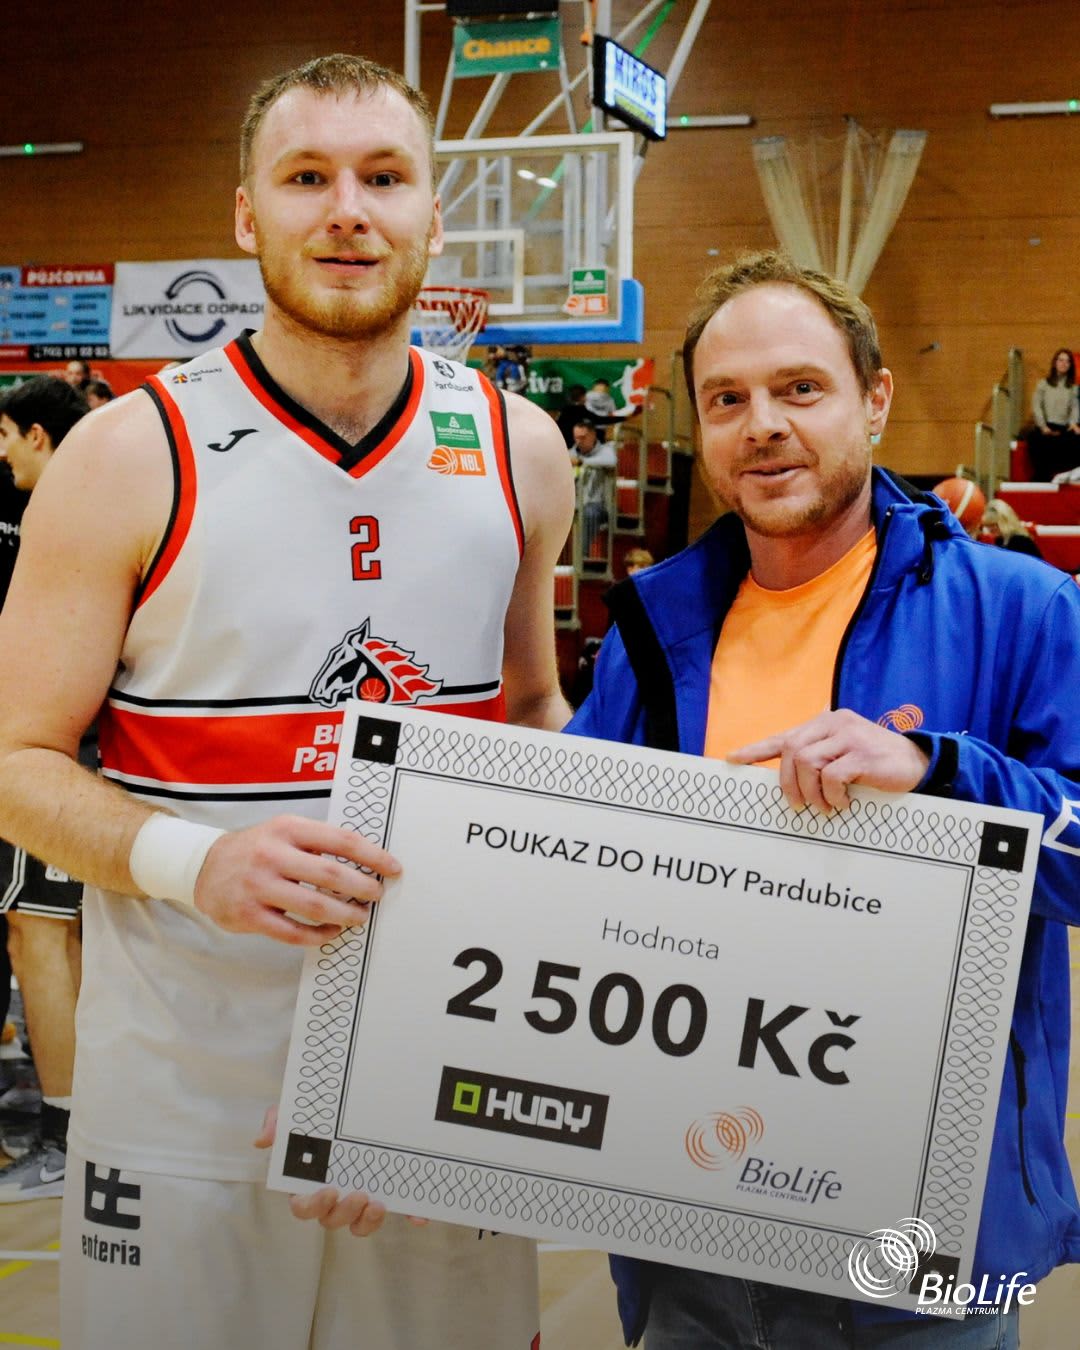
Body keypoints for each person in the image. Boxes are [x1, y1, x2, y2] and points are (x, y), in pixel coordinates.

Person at [0, 53, 572, 1350]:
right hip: (182, 1101)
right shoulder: (126, 452)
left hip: (433, 1080)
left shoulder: (520, 448)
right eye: (307, 177)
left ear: (435, 215)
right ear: (247, 214)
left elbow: (536, 719)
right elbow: (17, 757)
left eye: (384, 177)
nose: (348, 211)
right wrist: (197, 862)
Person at [569, 249, 1080, 1349]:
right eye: (727, 400)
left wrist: (943, 775)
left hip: (920, 1251)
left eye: (800, 388)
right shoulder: (652, 633)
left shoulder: (1025, 610)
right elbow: (553, 866)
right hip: (690, 1225)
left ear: (875, 399)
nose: (763, 425)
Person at [0, 376, 90, 1199]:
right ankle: (79, 1121)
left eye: (5, 435)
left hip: (62, 756)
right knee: (51, 939)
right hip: (71, 754)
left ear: (37, 435)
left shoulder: (72, 513)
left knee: (43, 937)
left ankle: (67, 1138)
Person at [1027, 347, 1080, 480]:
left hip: (1064, 427)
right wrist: (1043, 427)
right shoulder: (1043, 384)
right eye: (1061, 360)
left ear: (1070, 366)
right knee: (1034, 438)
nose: (1063, 364)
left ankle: (1068, 474)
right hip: (1046, 426)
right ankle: (1043, 475)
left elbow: (1074, 408)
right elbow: (1037, 406)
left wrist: (1073, 424)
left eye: (1067, 361)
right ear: (1055, 363)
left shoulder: (1073, 388)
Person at [570, 414, 617, 560]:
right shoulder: (570, 454)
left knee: (589, 512)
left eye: (583, 437)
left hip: (598, 505)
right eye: (576, 438)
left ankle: (581, 557)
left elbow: (611, 461)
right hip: (574, 504)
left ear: (593, 435)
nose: (579, 441)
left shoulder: (606, 451)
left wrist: (581, 462)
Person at [556, 383, 589, 448]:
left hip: (562, 442)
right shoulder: (582, 410)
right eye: (585, 396)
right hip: (572, 444)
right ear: (581, 397)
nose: (586, 398)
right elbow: (597, 419)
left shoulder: (564, 409)